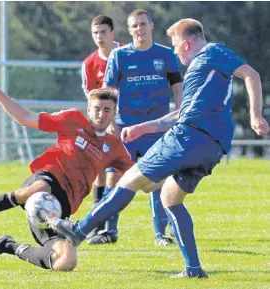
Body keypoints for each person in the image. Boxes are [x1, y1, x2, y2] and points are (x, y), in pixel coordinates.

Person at [48, 18, 270, 278]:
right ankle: (194, 270)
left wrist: (255, 116)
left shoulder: (212, 52)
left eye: (176, 46)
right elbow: (181, 113)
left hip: (188, 137)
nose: (175, 52)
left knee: (130, 178)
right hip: (211, 146)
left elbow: (250, 74)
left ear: (186, 43)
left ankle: (79, 231)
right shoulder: (202, 73)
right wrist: (145, 128)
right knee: (170, 198)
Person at [0, 71, 134, 272]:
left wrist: (163, 166)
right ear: (89, 109)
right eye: (97, 108)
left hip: (60, 210)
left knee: (66, 262)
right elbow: (25, 117)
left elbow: (140, 177)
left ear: (114, 113)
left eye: (107, 110)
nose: (101, 114)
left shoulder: (114, 147)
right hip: (48, 178)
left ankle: (7, 246)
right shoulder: (72, 119)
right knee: (40, 187)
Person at [88, 9, 182, 246]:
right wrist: (108, 122)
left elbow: (178, 89)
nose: (139, 29)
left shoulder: (166, 54)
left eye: (142, 24)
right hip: (124, 129)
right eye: (134, 26)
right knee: (114, 179)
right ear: (129, 30)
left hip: (156, 130)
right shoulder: (119, 56)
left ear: (151, 25)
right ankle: (109, 231)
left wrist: (180, 116)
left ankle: (161, 234)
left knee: (158, 180)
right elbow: (109, 91)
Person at [81, 15, 124, 242]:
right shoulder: (89, 63)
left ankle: (110, 229)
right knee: (97, 174)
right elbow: (90, 98)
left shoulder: (126, 53)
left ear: (113, 33)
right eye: (95, 33)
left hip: (124, 124)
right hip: (101, 127)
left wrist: (116, 122)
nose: (99, 37)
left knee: (114, 177)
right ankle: (98, 226)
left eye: (103, 32)